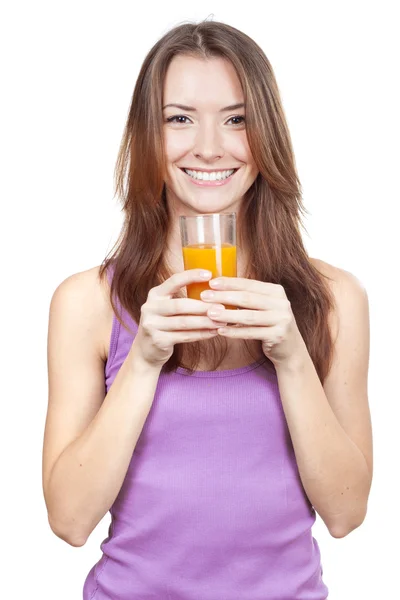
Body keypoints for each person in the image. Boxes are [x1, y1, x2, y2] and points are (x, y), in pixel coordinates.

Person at [42, 19, 373, 600]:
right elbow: (68, 522)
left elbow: (346, 515)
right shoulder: (87, 304)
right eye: (179, 118)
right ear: (148, 134)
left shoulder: (333, 299)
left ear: (265, 132)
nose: (210, 146)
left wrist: (293, 357)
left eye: (237, 119)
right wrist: (143, 360)